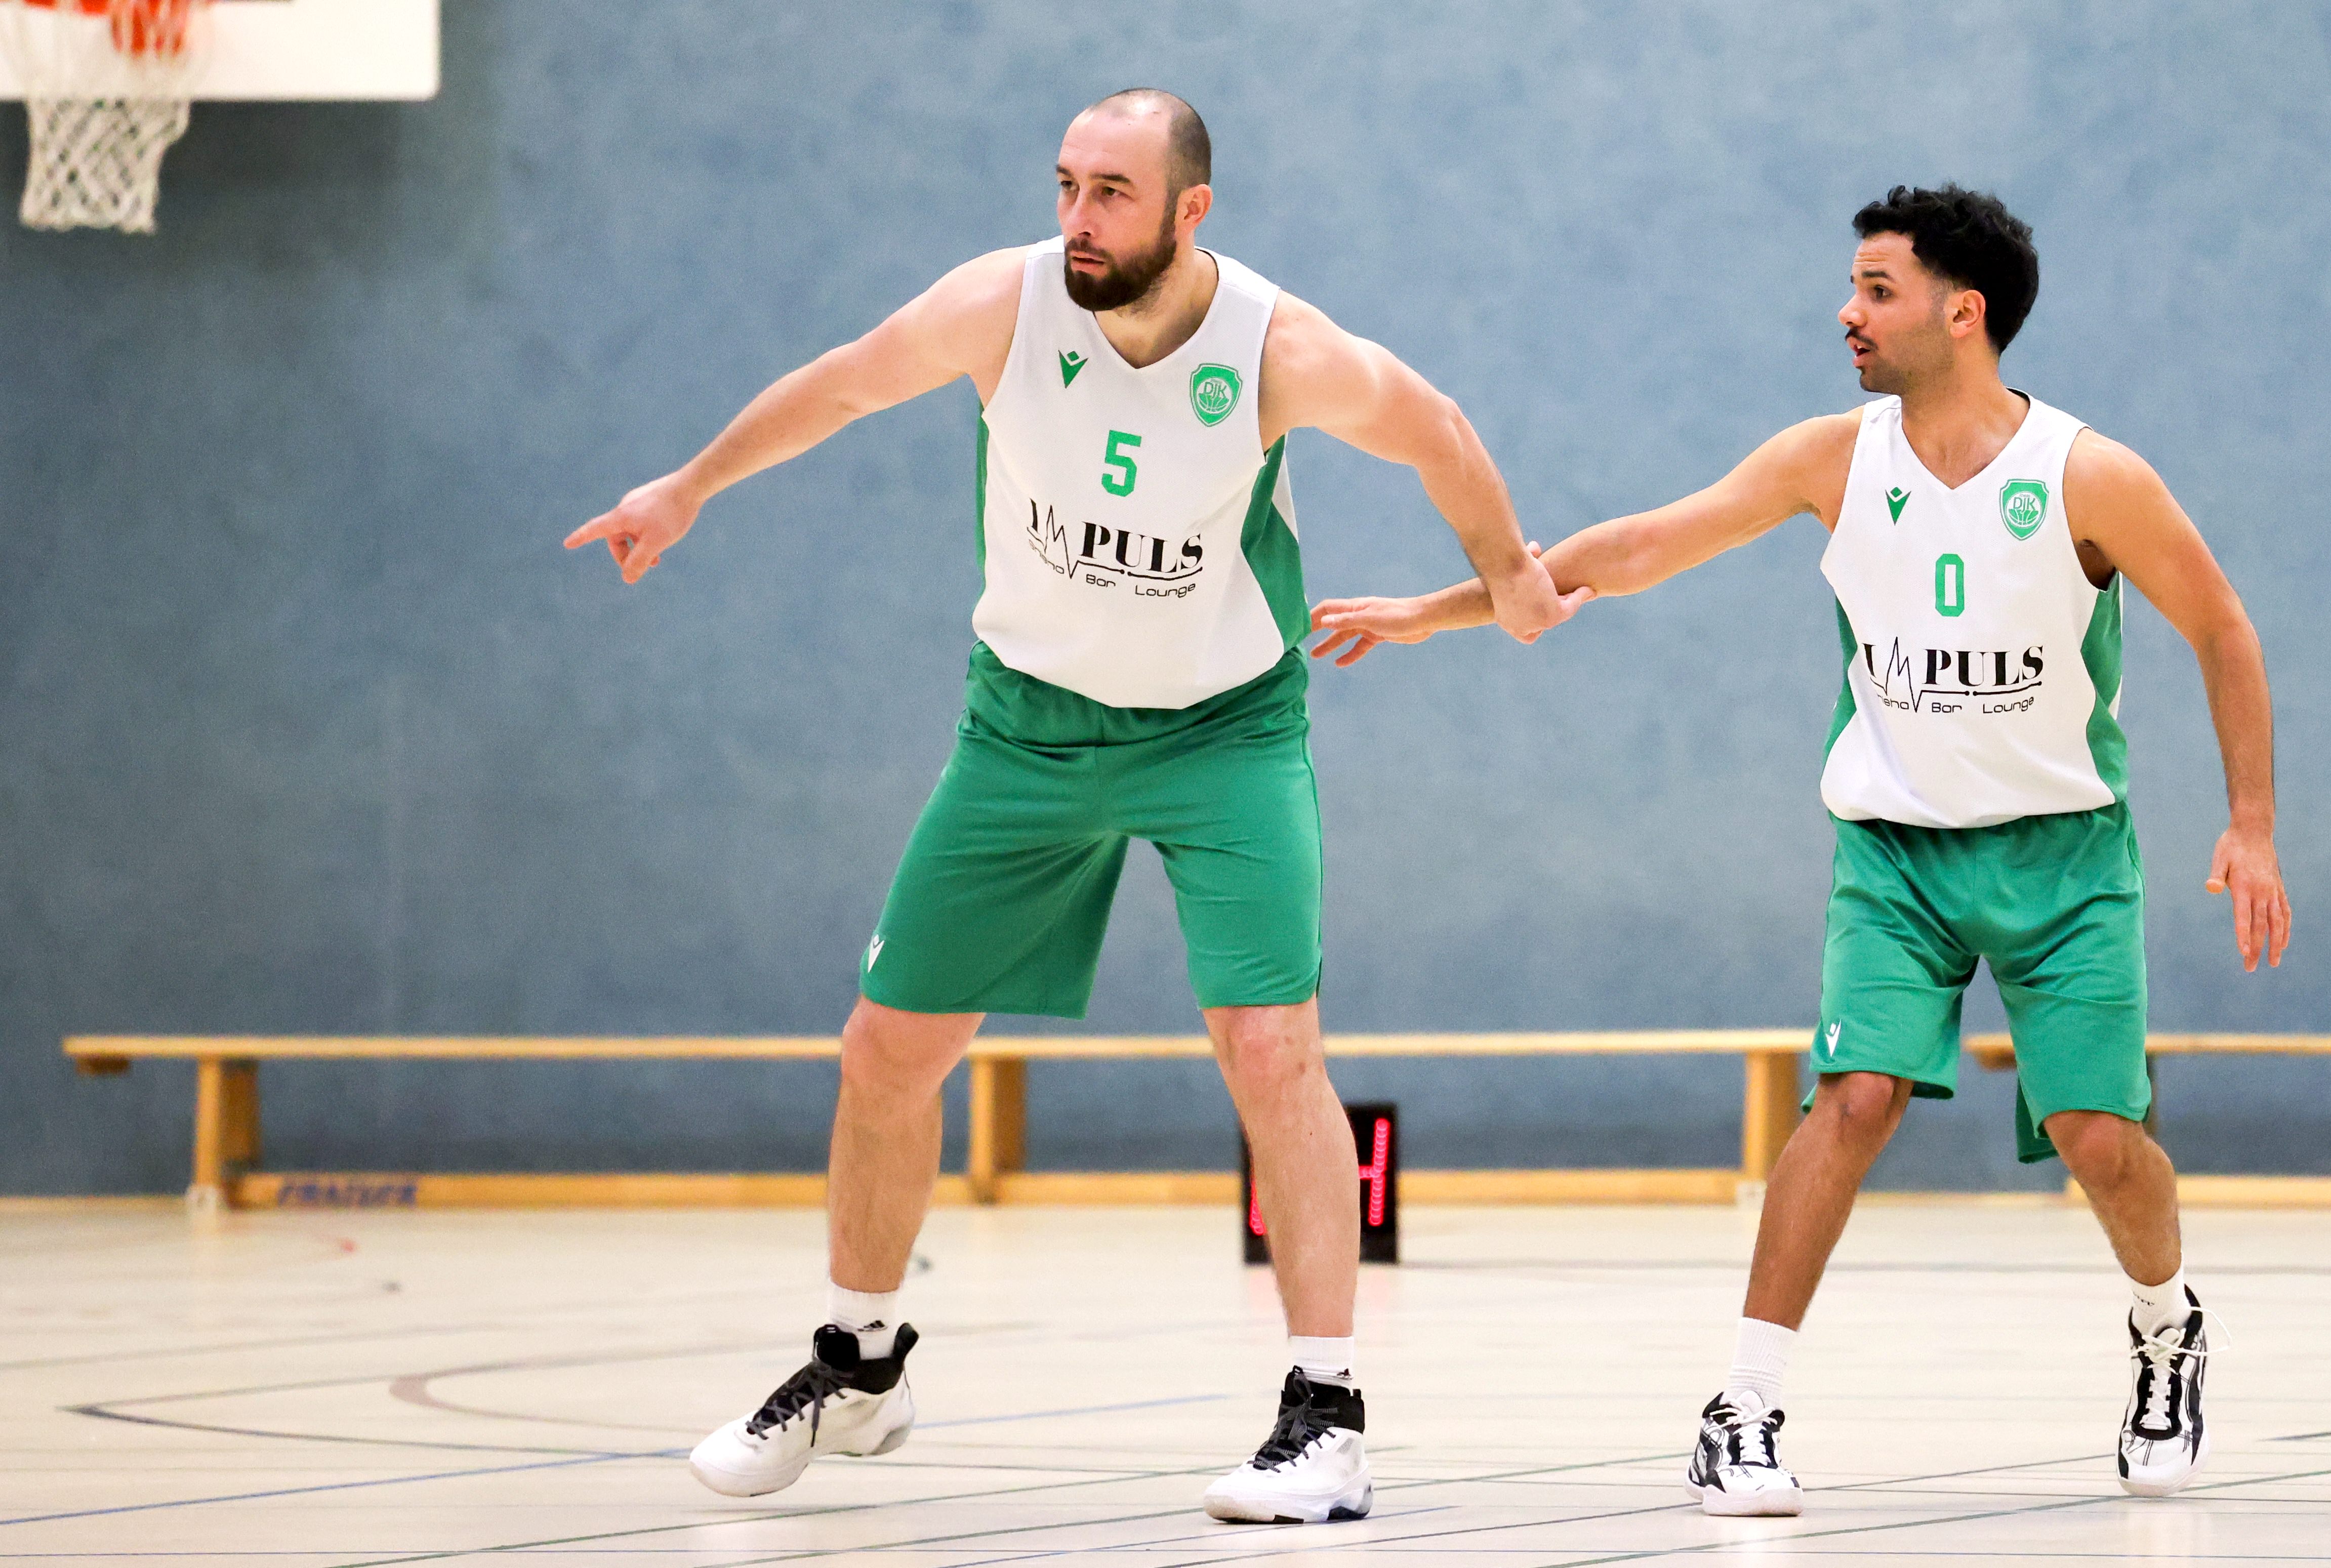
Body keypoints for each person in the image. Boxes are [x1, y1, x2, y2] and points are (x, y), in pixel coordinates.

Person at [566, 87, 1577, 1524]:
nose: (1078, 218)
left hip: (1223, 731)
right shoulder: (1003, 305)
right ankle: (859, 1368)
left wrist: (1512, 576)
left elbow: (1438, 429)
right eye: (1065, 186)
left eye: (1111, 192)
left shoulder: (1277, 348)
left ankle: (1327, 1418)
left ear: (1190, 210)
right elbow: (844, 383)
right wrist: (688, 486)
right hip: (1024, 731)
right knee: (885, 1049)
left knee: (1272, 1048)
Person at [1306, 184, 2291, 1516]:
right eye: (1852, 286)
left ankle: (2166, 1324)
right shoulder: (1831, 459)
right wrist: (1445, 610)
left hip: (2064, 859)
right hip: (1895, 855)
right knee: (1853, 1098)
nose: (1847, 311)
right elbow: (1639, 545)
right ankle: (1743, 1406)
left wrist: (2250, 824)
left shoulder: (2089, 475)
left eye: (1877, 289)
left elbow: (2223, 628)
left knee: (2097, 1138)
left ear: (1963, 312)